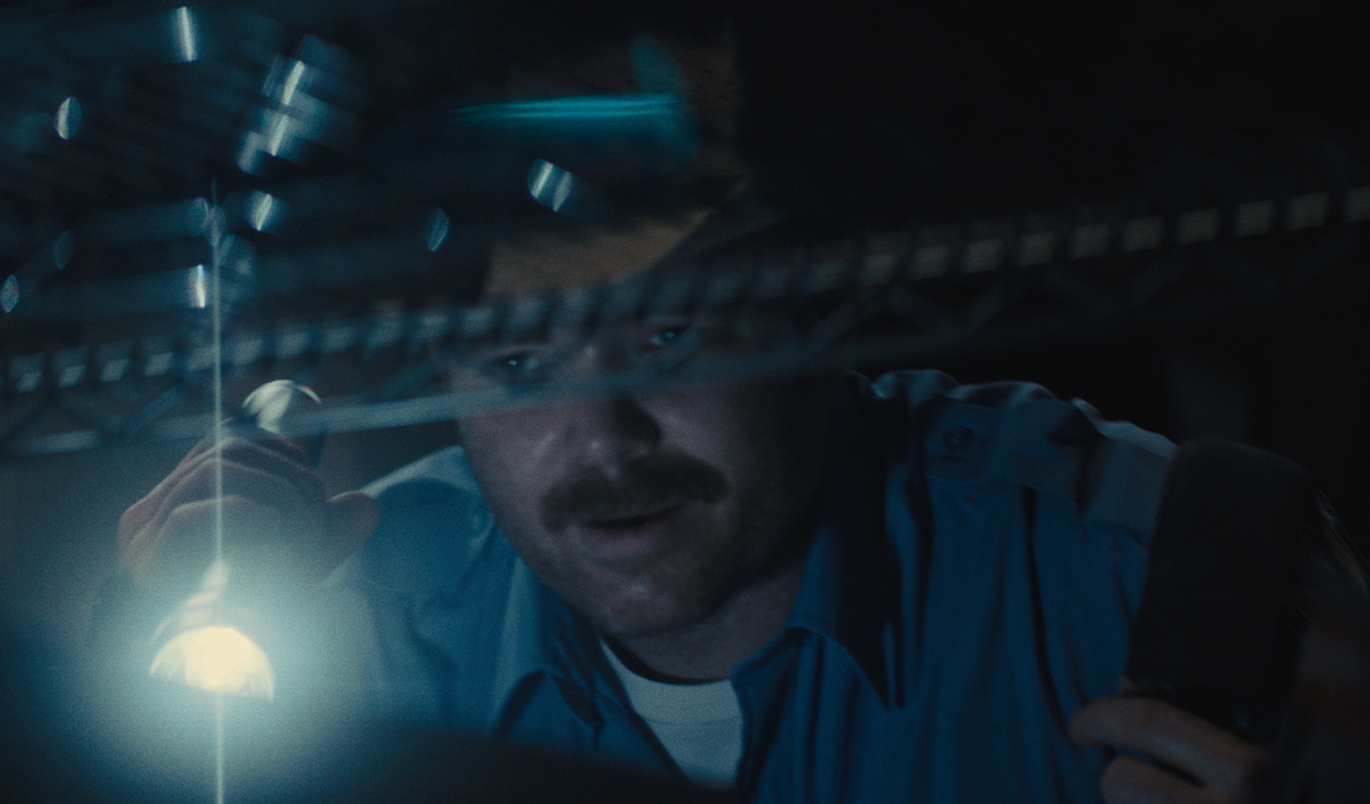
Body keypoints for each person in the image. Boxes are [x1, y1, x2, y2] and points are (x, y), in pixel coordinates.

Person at [113, 14, 1280, 804]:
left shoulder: (1134, 568)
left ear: (814, 320)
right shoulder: (345, 646)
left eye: (669, 335)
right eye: (516, 362)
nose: (603, 437)